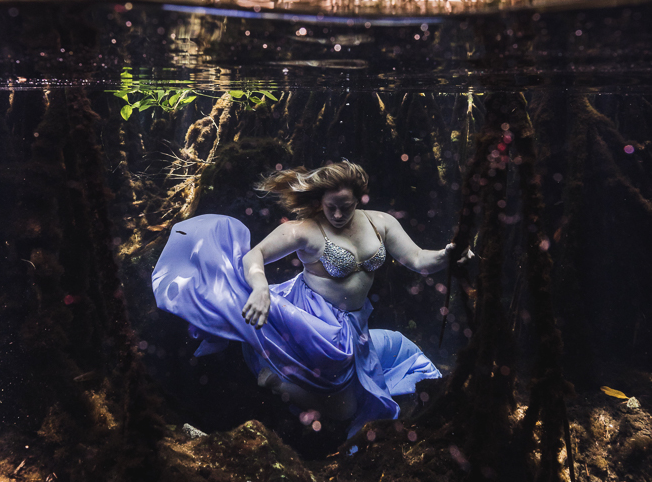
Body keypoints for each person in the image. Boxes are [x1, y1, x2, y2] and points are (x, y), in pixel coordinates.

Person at [152, 160, 453, 437]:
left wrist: (447, 254)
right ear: (319, 201)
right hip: (314, 321)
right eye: (330, 207)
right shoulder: (305, 230)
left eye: (345, 207)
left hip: (355, 323)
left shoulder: (380, 223)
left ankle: (279, 383)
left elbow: (418, 260)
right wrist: (260, 288)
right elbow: (254, 255)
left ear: (359, 198)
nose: (337, 214)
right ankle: (275, 381)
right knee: (344, 406)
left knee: (376, 377)